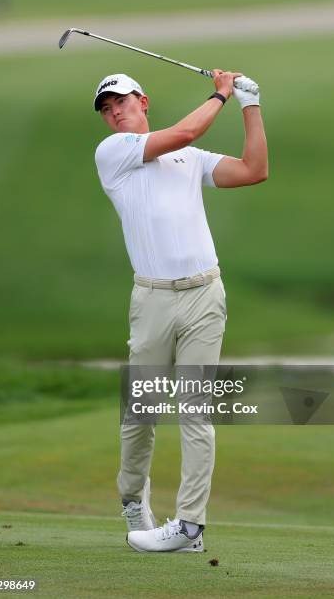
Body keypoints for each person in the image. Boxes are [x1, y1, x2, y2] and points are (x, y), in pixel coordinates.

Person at [94, 69, 268, 553]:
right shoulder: (113, 154)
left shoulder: (189, 159)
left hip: (204, 296)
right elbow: (188, 129)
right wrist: (221, 93)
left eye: (121, 102)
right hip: (151, 299)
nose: (115, 113)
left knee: (195, 410)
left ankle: (190, 526)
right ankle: (134, 501)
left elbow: (254, 170)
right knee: (142, 412)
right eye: (107, 109)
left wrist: (250, 106)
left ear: (142, 101)